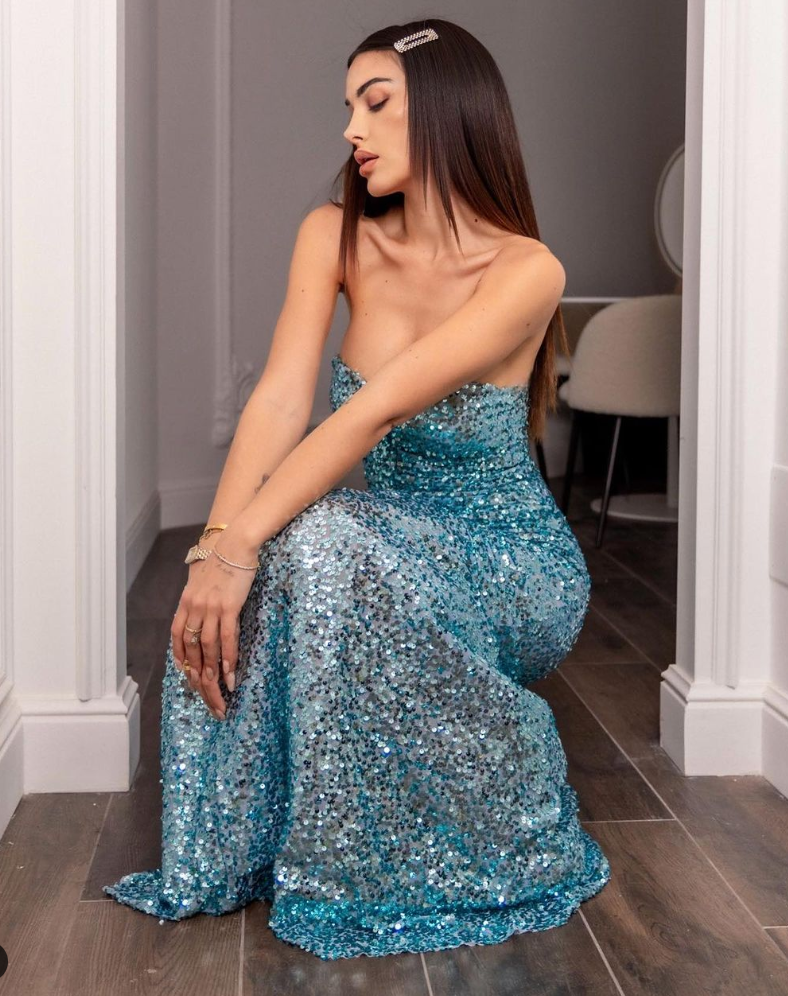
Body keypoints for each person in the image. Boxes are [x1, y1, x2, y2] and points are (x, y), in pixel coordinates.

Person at [104, 17, 611, 960]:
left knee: (304, 535)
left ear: (450, 110)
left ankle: (365, 862)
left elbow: (371, 414)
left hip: (505, 564)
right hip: (369, 537)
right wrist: (215, 552)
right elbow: (279, 399)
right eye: (348, 106)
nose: (351, 128)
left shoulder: (526, 270)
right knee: (277, 549)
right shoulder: (332, 234)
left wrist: (238, 542)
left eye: (376, 103)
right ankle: (239, 846)